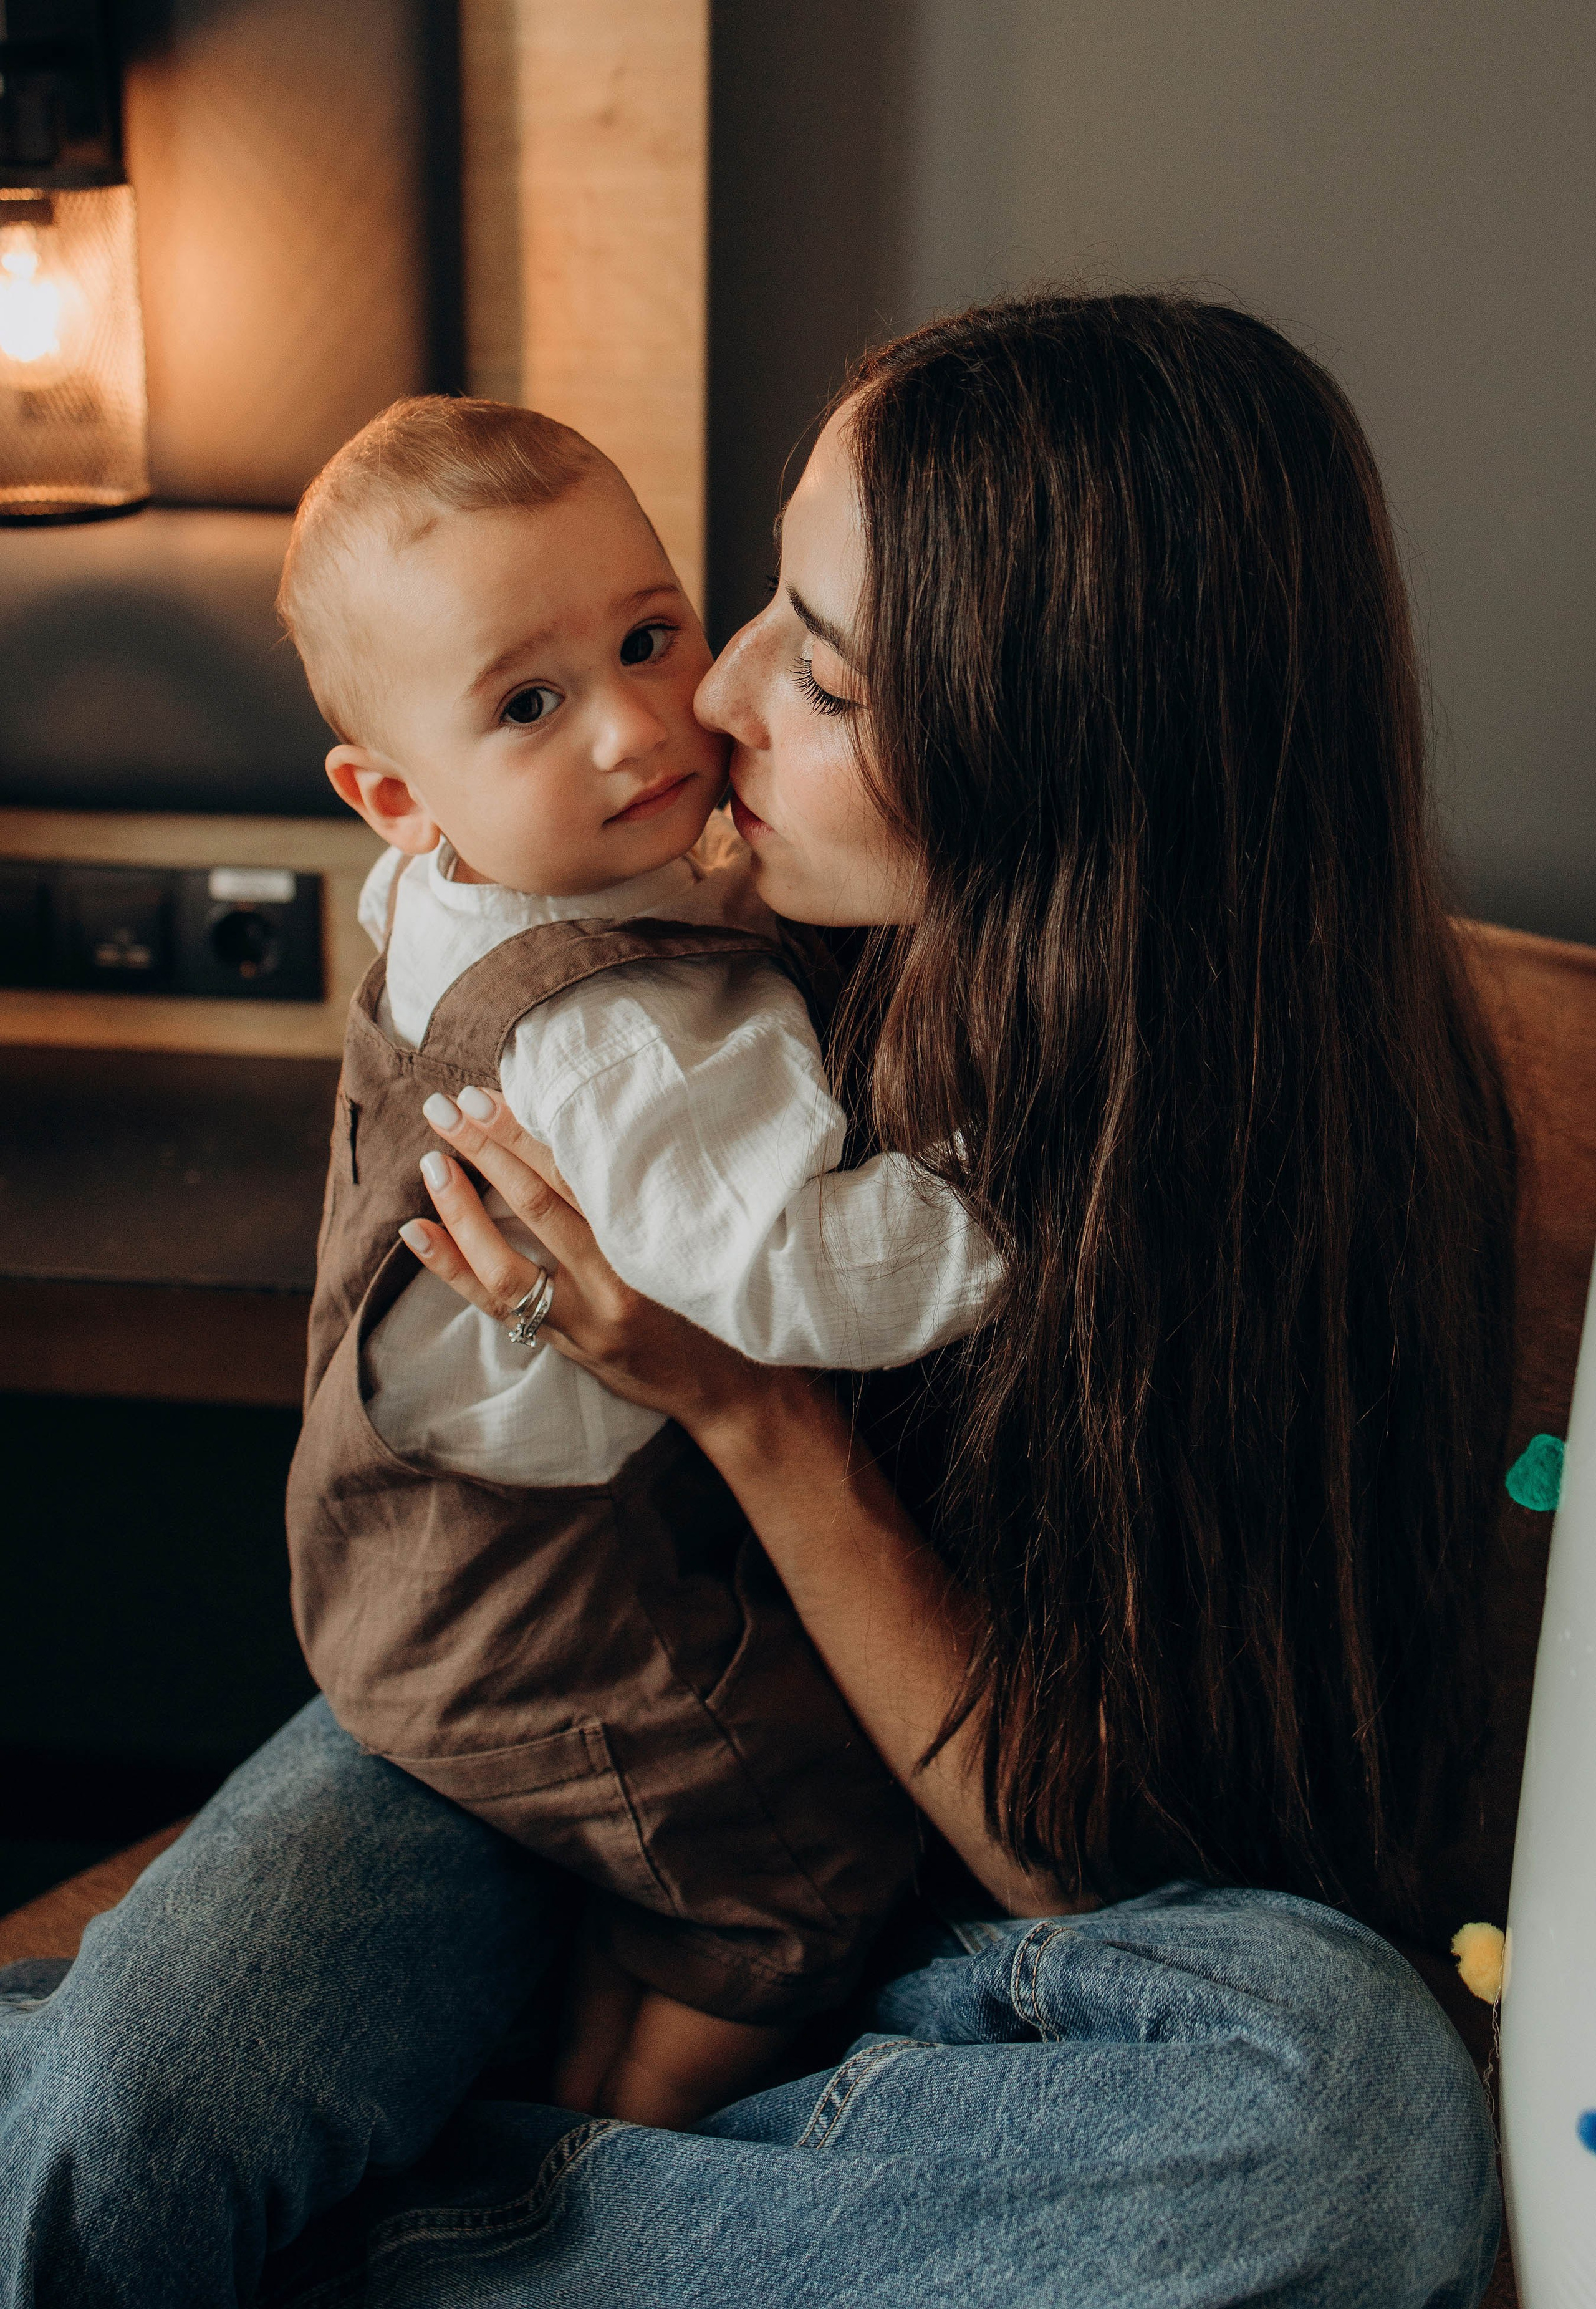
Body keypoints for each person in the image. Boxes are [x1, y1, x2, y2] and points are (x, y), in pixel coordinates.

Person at [0, 290, 1513, 2307]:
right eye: (758, 607)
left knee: (1350, 2118)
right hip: (558, 1691)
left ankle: (382, 2248)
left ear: (1046, 756)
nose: (705, 697)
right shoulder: (669, 924)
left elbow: (1083, 1873)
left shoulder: (1277, 1158)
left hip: (955, 1889)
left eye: (820, 671)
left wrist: (746, 1406)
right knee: (136, 2094)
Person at [273, 395, 996, 2128]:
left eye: (647, 637)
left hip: (410, 1567)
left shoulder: (473, 881)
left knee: (646, 1894)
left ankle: (566, 2086)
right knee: (800, 1867)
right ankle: (606, 2163)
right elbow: (799, 1275)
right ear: (394, 795)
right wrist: (1003, 1217)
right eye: (531, 705)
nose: (635, 727)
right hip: (547, 1603)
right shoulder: (629, 1027)